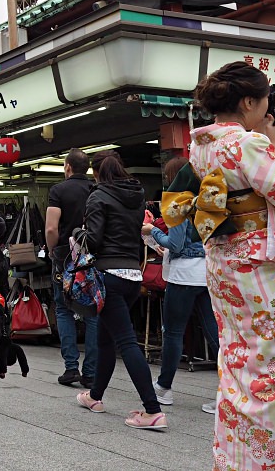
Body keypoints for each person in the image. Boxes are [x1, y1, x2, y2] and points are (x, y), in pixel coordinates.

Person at [180, 61, 275, 469]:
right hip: (261, 271)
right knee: (272, 377)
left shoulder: (201, 145)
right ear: (248, 102)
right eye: (261, 102)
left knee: (240, 367)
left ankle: (234, 459)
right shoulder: (247, 145)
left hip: (226, 266)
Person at [74, 150, 166, 431]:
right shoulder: (137, 196)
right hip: (132, 275)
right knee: (105, 339)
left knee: (125, 342)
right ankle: (94, 396)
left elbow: (95, 239)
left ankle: (153, 410)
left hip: (108, 276)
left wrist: (79, 235)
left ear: (97, 173)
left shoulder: (98, 196)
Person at [141, 156, 218, 415]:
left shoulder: (177, 202)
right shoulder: (208, 201)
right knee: (215, 333)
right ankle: (229, 390)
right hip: (207, 273)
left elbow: (174, 244)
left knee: (173, 332)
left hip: (182, 275)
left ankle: (164, 387)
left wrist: (152, 231)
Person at [44, 147, 98, 389]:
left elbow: (51, 228)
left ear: (67, 166)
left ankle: (70, 368)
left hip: (65, 259)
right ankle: (91, 373)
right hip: (92, 259)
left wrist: (53, 250)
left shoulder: (58, 191)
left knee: (64, 309)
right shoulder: (95, 190)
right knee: (92, 312)